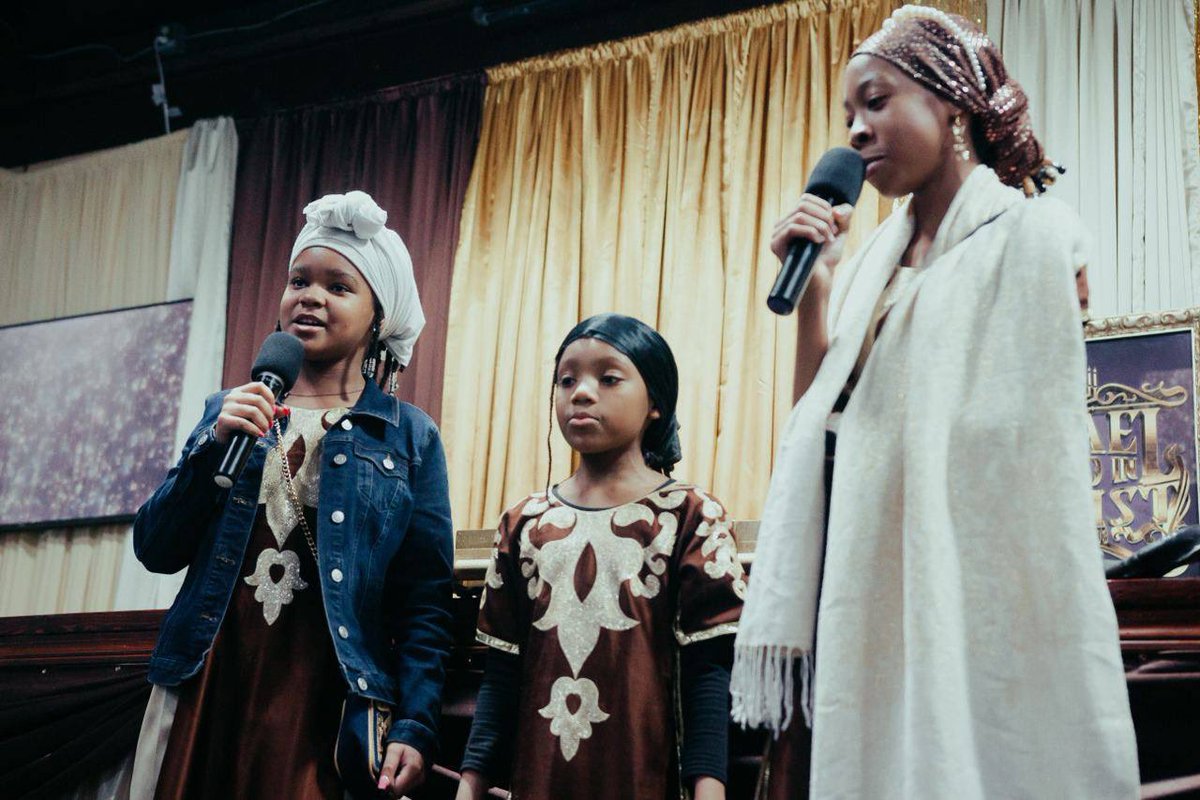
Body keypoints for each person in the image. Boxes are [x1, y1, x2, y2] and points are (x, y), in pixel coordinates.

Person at [731, 7, 1139, 799]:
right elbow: (814, 422)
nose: (856, 130)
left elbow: (1024, 440)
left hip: (963, 570)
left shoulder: (1031, 237)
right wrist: (816, 292)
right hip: (862, 573)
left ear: (951, 105)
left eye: (876, 101)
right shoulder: (866, 266)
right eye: (848, 115)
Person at [129, 190, 455, 799]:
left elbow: (426, 602)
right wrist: (212, 446)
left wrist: (416, 722)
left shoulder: (410, 437)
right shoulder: (229, 410)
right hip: (210, 679)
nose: (310, 296)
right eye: (298, 280)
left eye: (338, 287)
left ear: (379, 316)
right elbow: (155, 547)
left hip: (326, 696)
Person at [455, 313, 746, 800]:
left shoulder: (692, 516)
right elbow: (501, 676)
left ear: (656, 402)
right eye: (567, 380)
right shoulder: (524, 522)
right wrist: (470, 788)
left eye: (608, 378)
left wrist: (709, 791)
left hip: (646, 780)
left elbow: (709, 674)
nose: (582, 393)